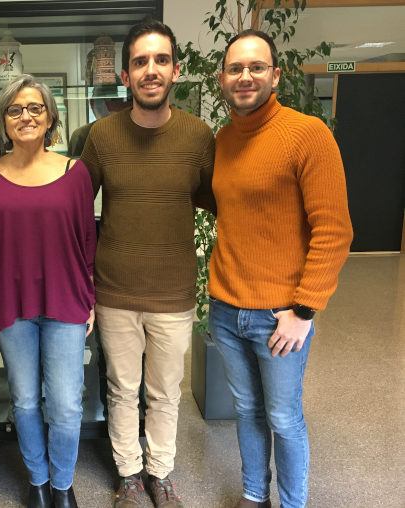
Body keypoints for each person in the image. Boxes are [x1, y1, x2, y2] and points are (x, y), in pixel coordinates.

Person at [209, 30, 353, 508]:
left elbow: (334, 231)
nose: (244, 76)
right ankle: (255, 495)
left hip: (280, 314)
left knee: (284, 416)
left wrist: (303, 311)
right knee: (247, 411)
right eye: (235, 69)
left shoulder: (307, 134)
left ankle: (292, 503)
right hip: (226, 307)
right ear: (222, 78)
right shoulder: (223, 140)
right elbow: (228, 209)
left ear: (275, 74)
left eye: (255, 67)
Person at [80, 19, 216, 508]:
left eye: (160, 60)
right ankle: (130, 476)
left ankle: (160, 473)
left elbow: (215, 199)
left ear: (175, 70)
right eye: (141, 62)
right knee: (121, 389)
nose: (151, 70)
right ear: (125, 73)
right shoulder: (100, 136)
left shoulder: (199, 137)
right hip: (114, 289)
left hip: (174, 292)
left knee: (164, 393)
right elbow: (76, 210)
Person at [0, 74, 96, 508]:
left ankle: (62, 484)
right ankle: (38, 481)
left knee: (65, 404)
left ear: (50, 117)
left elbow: (86, 239)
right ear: (3, 121)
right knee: (23, 400)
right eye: (15, 109)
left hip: (66, 300)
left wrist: (90, 295)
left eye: (35, 108)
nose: (26, 116)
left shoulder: (75, 172)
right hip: (9, 301)